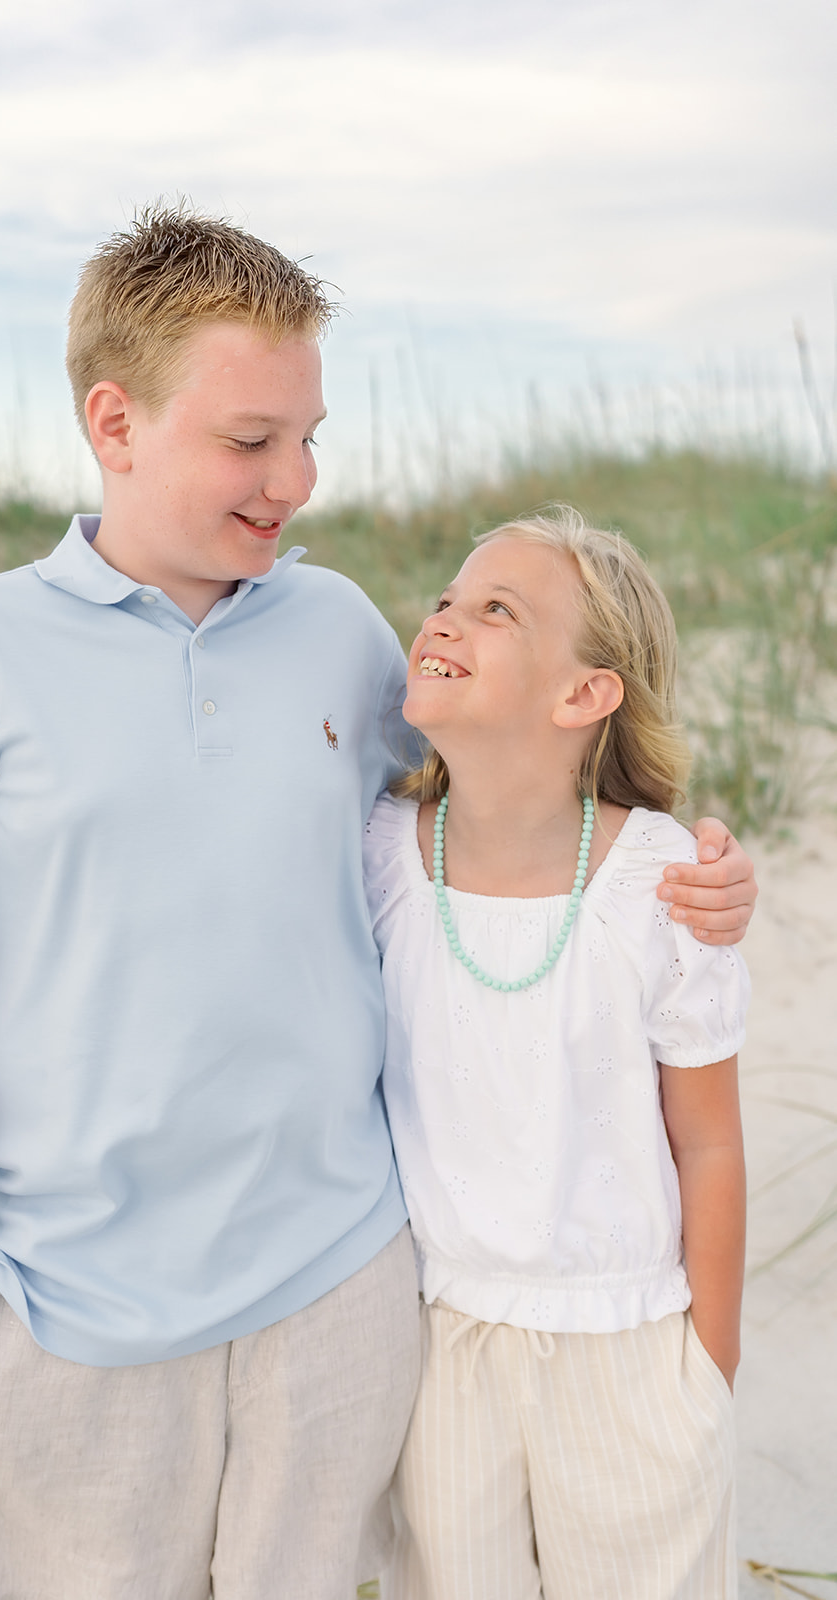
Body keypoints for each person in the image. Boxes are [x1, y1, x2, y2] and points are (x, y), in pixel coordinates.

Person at [0, 209, 755, 1600]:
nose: (295, 480)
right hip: (70, 1310)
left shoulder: (334, 633)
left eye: (309, 437)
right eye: (250, 441)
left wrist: (695, 871)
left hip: (341, 1288)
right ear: (114, 419)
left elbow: (496, 815)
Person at [365, 507, 748, 1600]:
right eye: (447, 596)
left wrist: (702, 1373)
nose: (445, 616)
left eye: (498, 609)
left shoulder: (663, 884)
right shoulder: (382, 855)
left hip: (627, 1340)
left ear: (582, 695)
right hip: (443, 1344)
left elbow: (707, 1143)